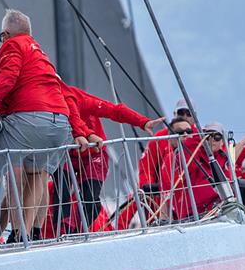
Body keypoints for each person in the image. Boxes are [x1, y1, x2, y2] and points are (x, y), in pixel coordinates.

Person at [0, 9, 77, 244]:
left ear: (6, 35)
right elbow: (67, 95)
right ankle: (22, 237)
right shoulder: (41, 54)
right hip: (60, 126)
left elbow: (7, 77)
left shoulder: (12, 46)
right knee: (37, 175)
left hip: (31, 119)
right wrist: (81, 131)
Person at [50, 83, 163, 235]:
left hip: (94, 153)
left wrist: (143, 122)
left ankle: (77, 232)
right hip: (66, 152)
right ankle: (65, 232)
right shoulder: (43, 102)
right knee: (61, 194)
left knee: (90, 200)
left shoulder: (81, 100)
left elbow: (114, 110)